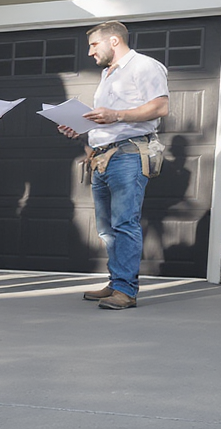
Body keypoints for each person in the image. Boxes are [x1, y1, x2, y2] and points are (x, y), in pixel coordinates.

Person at [58, 20, 169, 310]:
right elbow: (104, 119)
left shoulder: (144, 66)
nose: (90, 52)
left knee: (124, 223)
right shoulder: (107, 74)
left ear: (114, 41)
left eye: (94, 45)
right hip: (102, 157)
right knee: (107, 228)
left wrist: (116, 115)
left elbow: (160, 107)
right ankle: (116, 281)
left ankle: (126, 290)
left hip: (128, 154)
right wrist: (78, 127)